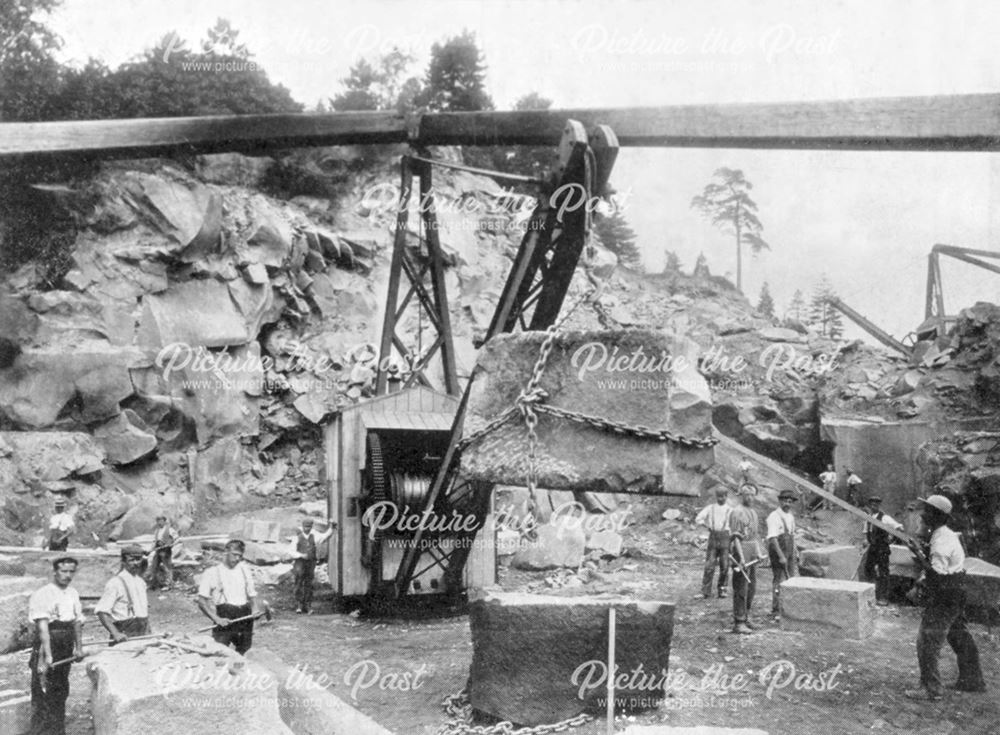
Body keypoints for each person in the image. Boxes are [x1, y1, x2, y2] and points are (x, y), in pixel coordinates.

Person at [904, 495, 985, 701]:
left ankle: (931, 689)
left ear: (937, 516)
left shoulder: (940, 541)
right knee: (959, 636)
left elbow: (937, 575)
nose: (923, 514)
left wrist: (919, 555)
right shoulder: (945, 534)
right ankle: (972, 680)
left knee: (927, 641)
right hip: (956, 591)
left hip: (945, 595)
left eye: (928, 511)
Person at [27, 556, 84, 735]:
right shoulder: (44, 594)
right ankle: (41, 731)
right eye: (63, 571)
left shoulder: (73, 593)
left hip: (65, 641)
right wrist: (49, 655)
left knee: (61, 688)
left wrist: (79, 648)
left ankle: (58, 730)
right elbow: (43, 628)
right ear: (54, 572)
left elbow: (76, 623)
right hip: (48, 642)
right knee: (43, 690)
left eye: (71, 571)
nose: (68, 575)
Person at [197, 539, 260, 654]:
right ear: (225, 552)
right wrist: (216, 619)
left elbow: (251, 593)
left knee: (244, 651)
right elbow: (201, 601)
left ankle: (238, 670)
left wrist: (255, 608)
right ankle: (220, 671)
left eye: (240, 556)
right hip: (225, 615)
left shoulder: (244, 570)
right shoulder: (212, 572)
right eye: (234, 555)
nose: (237, 559)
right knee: (219, 652)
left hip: (245, 615)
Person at [95, 545, 150, 641]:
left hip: (143, 629)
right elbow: (102, 612)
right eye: (131, 560)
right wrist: (116, 633)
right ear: (123, 562)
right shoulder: (115, 583)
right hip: (125, 632)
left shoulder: (141, 582)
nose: (136, 563)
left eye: (138, 559)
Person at [728, 485, 762, 634]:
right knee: (741, 587)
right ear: (741, 495)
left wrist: (759, 553)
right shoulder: (737, 512)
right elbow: (735, 537)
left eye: (752, 495)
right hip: (740, 550)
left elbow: (755, 536)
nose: (750, 498)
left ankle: (746, 616)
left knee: (751, 587)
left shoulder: (753, 513)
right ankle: (739, 621)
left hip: (751, 550)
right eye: (747, 495)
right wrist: (741, 558)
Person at [862, 495, 903, 606]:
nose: (873, 506)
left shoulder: (885, 518)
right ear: (870, 505)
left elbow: (899, 527)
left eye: (876, 504)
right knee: (868, 570)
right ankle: (871, 595)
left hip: (882, 548)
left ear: (879, 505)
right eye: (872, 504)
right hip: (873, 548)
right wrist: (866, 540)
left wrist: (892, 539)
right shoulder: (868, 518)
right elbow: (866, 532)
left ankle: (883, 598)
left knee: (883, 572)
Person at [288, 517, 335, 614]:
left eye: (309, 527)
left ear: (311, 526)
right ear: (302, 526)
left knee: (309, 583)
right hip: (300, 562)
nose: (307, 528)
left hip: (311, 562)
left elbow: (324, 537)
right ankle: (299, 604)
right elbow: (290, 551)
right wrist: (300, 555)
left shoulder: (314, 535)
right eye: (305, 526)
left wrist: (331, 527)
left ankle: (308, 605)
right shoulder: (297, 537)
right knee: (299, 582)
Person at [766, 489, 799, 619]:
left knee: (791, 578)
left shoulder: (790, 516)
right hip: (778, 551)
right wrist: (781, 556)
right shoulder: (774, 516)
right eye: (785, 500)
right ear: (780, 501)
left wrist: (795, 552)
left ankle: (788, 608)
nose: (787, 504)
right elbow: (772, 539)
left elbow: (792, 535)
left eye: (790, 501)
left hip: (789, 551)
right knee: (778, 580)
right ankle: (776, 609)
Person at [695, 487, 731, 599]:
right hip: (713, 538)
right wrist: (707, 525)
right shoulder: (710, 508)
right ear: (716, 497)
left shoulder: (730, 510)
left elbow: (734, 526)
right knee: (709, 565)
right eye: (719, 496)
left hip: (725, 538)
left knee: (724, 566)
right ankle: (705, 591)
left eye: (723, 496)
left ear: (726, 496)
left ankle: (722, 590)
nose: (721, 498)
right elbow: (698, 519)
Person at [147, 515, 177, 590]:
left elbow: (177, 538)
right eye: (157, 521)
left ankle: (169, 585)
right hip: (158, 551)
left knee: (167, 568)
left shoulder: (170, 529)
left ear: (164, 521)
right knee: (154, 567)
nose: (159, 522)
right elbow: (154, 541)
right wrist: (151, 549)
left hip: (166, 551)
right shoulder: (157, 531)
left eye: (160, 521)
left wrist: (171, 543)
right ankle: (153, 584)